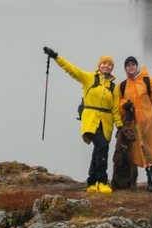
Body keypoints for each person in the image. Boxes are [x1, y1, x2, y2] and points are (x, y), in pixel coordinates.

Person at [43, 47, 123, 193]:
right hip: (90, 119)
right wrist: (56, 57)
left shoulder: (113, 87)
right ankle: (102, 181)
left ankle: (91, 182)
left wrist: (119, 126)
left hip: (106, 122)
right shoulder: (89, 78)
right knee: (102, 146)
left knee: (98, 149)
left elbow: (115, 109)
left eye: (109, 64)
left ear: (112, 68)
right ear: (99, 66)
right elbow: (72, 70)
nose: (107, 66)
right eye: (104, 63)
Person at [118, 56, 152, 192]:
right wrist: (124, 105)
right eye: (128, 65)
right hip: (133, 126)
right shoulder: (123, 86)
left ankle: (151, 182)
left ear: (137, 66)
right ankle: (130, 182)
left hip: (148, 123)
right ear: (125, 68)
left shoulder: (147, 81)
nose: (131, 67)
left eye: (133, 64)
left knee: (150, 152)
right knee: (133, 153)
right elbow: (118, 103)